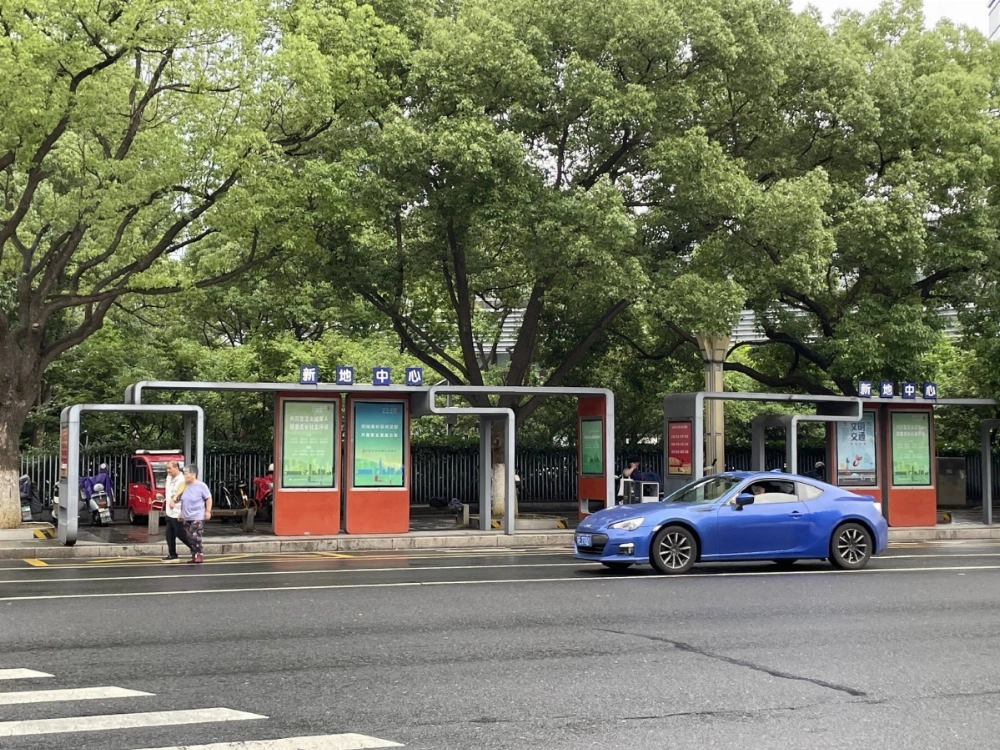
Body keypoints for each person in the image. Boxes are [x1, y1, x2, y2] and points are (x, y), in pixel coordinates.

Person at [177, 465, 212, 564]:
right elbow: (183, 500)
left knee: (194, 535)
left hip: (198, 515)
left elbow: (208, 498)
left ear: (193, 474)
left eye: (186, 473)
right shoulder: (183, 486)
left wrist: (207, 511)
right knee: (188, 536)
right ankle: (194, 554)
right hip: (186, 515)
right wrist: (181, 512)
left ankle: (199, 554)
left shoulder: (201, 486)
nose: (184, 476)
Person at [163, 460, 191, 563]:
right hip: (169, 511)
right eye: (167, 468)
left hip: (178, 511)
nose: (168, 470)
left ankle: (196, 549)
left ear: (176, 468)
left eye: (170, 468)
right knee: (169, 533)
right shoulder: (169, 477)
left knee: (181, 533)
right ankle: (172, 554)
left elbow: (184, 496)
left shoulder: (182, 480)